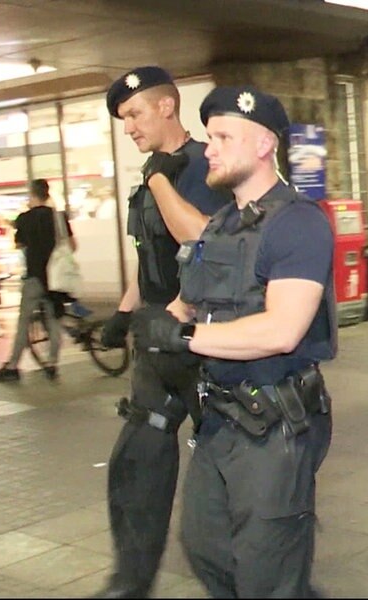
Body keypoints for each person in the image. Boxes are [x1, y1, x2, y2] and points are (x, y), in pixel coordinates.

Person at [131, 86, 335, 598]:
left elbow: (281, 330)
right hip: (220, 420)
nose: (209, 149)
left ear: (265, 143)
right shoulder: (219, 226)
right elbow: (190, 300)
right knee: (206, 550)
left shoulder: (298, 223)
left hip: (276, 424)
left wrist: (185, 335)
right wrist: (155, 320)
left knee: (267, 571)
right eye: (209, 137)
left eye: (223, 136)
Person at [91, 66, 231, 600]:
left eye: (133, 114)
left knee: (222, 469)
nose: (127, 126)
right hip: (155, 338)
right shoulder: (153, 172)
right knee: (139, 460)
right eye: (123, 119)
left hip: (204, 340)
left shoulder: (204, 166)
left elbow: (200, 240)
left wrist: (160, 178)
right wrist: (125, 313)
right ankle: (130, 579)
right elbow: (149, 257)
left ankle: (242, 579)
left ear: (166, 107)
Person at [0, 179, 72, 382]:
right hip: (55, 278)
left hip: (34, 277)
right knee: (53, 319)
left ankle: (12, 365)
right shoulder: (59, 217)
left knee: (23, 321)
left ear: (32, 195)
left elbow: (19, 245)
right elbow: (72, 245)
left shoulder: (24, 219)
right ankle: (52, 363)